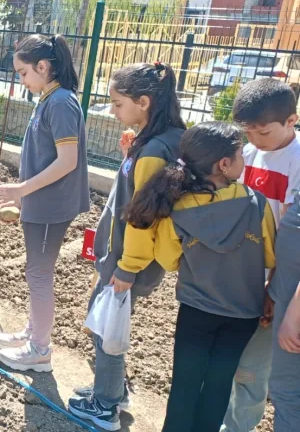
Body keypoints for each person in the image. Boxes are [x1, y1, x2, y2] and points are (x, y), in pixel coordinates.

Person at [122, 122, 275, 432]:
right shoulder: (257, 203)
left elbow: (169, 259)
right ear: (224, 164)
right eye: (240, 153)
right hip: (243, 314)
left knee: (185, 386)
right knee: (218, 387)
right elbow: (271, 257)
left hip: (195, 311)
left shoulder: (177, 206)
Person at [66, 62, 186, 430]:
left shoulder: (152, 152)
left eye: (118, 103)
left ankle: (105, 405)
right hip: (134, 259)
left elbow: (142, 217)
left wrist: (126, 267)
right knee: (106, 321)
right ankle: (112, 389)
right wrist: (129, 158)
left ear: (144, 102)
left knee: (106, 328)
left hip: (128, 259)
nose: (113, 110)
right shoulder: (168, 139)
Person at [0, 34, 89, 373]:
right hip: (41, 201)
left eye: (22, 72)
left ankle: (40, 350)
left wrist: (21, 190)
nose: (20, 79)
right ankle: (33, 332)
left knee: (39, 273)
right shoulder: (49, 98)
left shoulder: (61, 102)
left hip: (51, 205)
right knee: (36, 271)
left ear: (43, 67)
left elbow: (67, 161)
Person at [222, 78, 300, 432]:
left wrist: (273, 287)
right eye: (246, 131)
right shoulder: (246, 153)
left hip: (277, 281)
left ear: (291, 121)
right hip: (238, 274)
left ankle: (238, 426)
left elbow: (290, 241)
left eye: (263, 132)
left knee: (253, 368)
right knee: (227, 360)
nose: (253, 140)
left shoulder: (296, 163)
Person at [270, 201, 300, 430]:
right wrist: (273, 291)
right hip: (286, 300)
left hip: (295, 320)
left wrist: (293, 316)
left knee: (288, 392)